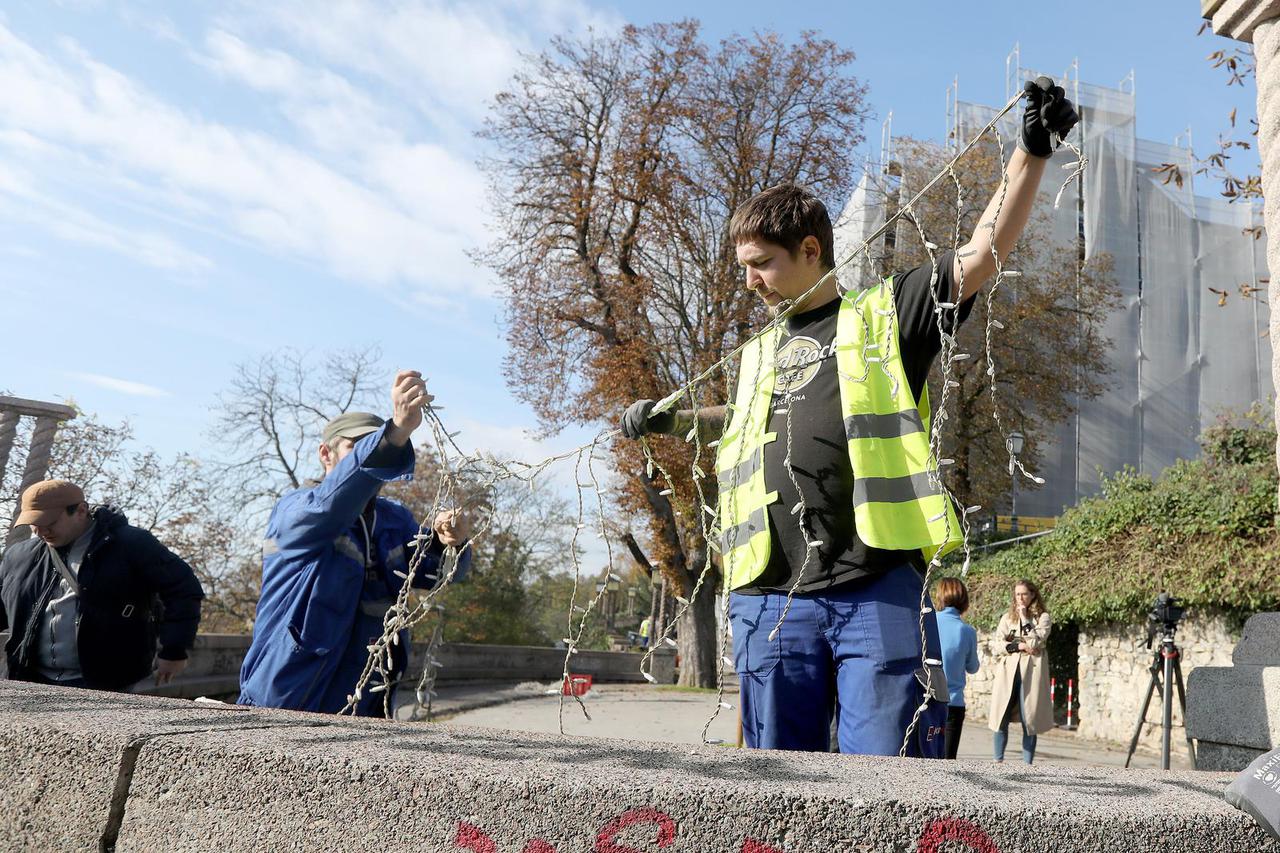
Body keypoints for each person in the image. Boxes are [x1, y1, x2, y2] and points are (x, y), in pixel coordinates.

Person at [619, 78, 1078, 756]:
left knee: (889, 782)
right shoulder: (759, 348)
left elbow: (983, 254)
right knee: (777, 784)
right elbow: (741, 418)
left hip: (878, 587)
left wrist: (1030, 156)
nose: (749, 281)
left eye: (761, 264)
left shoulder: (888, 311)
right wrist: (670, 419)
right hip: (771, 596)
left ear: (811, 250)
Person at [238, 370, 472, 716]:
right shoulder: (296, 509)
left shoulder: (396, 520)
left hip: (367, 702)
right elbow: (331, 507)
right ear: (325, 453)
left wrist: (448, 542)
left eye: (373, 444)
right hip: (288, 697)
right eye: (355, 446)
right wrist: (394, 434)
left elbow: (437, 576)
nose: (371, 458)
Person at [0, 479, 204, 690]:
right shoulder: (19, 555)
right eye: (34, 524)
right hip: (28, 679)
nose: (40, 532)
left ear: (80, 511)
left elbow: (183, 590)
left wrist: (174, 650)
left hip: (106, 681)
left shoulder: (132, 544)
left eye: (49, 523)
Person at [988, 578, 1054, 763]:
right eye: (1017, 594)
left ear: (1033, 595)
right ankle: (997, 761)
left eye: (1024, 594)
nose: (1020, 598)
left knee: (1029, 719)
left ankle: (1027, 764)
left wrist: (1025, 619)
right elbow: (997, 644)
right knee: (1001, 716)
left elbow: (1035, 642)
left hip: (1031, 673)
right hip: (1008, 673)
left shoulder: (1043, 618)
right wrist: (1020, 647)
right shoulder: (1007, 618)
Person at [934, 576, 980, 759]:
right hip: (953, 703)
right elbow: (973, 667)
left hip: (927, 700)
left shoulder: (927, 622)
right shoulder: (967, 631)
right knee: (948, 760)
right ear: (964, 600)